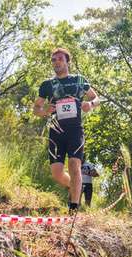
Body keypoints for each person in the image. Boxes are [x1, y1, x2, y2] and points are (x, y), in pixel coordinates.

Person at [33, 47, 100, 214]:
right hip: (56, 131)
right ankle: (76, 187)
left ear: (67, 61)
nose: (56, 62)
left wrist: (90, 105)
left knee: (74, 165)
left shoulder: (79, 80)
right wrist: (45, 111)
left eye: (60, 59)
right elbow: (36, 109)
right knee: (56, 173)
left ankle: (73, 208)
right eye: (54, 60)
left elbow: (96, 98)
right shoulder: (47, 85)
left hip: (75, 131)